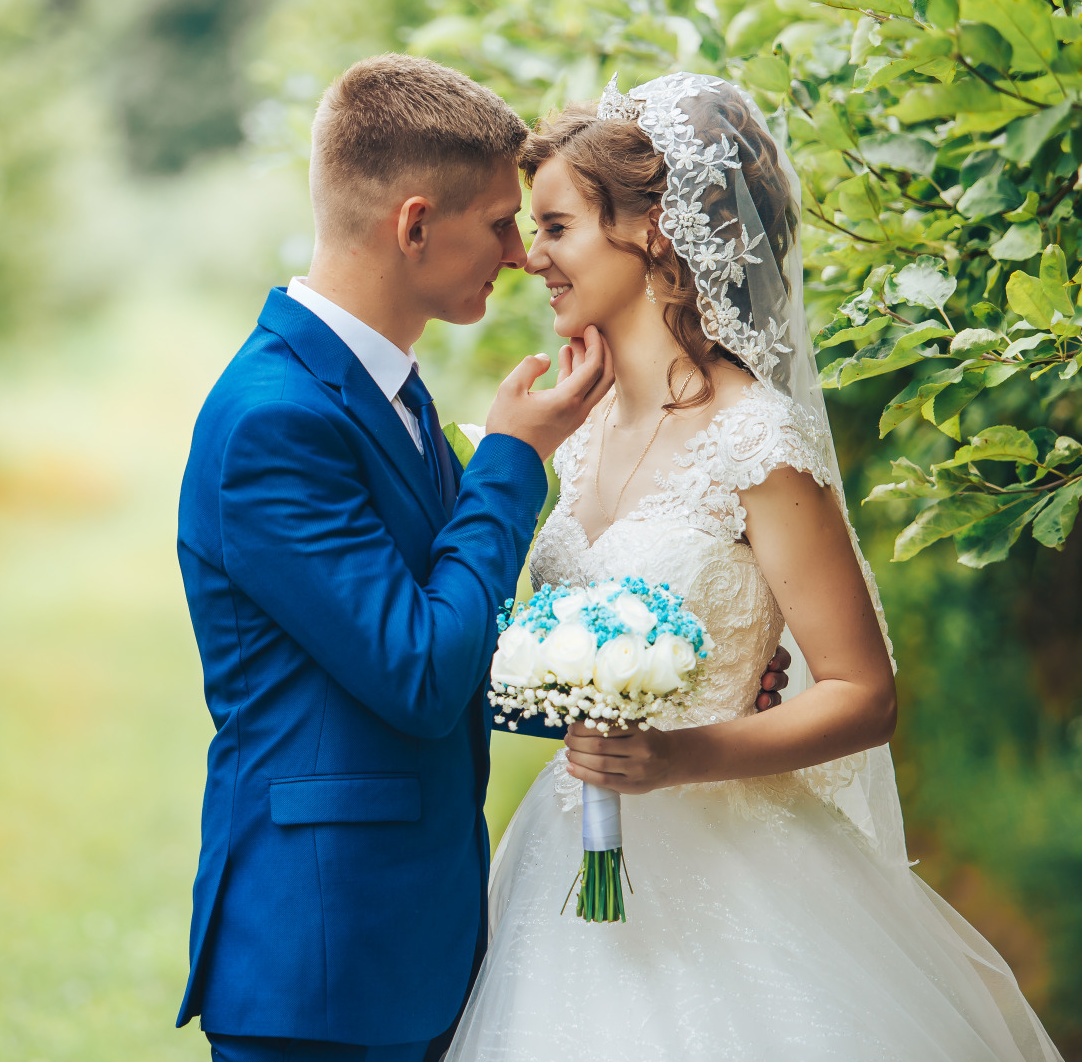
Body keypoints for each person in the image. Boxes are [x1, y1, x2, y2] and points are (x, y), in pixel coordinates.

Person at [174, 56, 789, 1062]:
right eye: (503, 224)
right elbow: (418, 669)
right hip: (324, 963)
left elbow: (455, 642)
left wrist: (682, 681)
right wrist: (512, 461)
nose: (517, 257)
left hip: (419, 939)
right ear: (415, 225)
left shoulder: (395, 395)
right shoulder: (272, 422)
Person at [445, 73, 1062, 1061]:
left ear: (650, 229)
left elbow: (863, 693)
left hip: (736, 879)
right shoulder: (579, 426)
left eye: (556, 226)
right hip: (562, 868)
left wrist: (680, 756)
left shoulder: (757, 441)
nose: (533, 259)